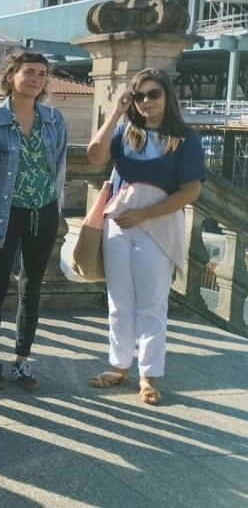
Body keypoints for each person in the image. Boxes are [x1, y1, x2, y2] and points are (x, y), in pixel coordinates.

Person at [86, 68, 205, 406]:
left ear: (167, 96)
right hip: (118, 226)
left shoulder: (184, 138)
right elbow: (95, 155)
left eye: (154, 94)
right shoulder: (126, 132)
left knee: (152, 304)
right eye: (140, 96)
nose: (146, 101)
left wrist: (144, 214)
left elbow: (191, 190)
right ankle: (118, 365)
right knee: (118, 302)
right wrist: (116, 113)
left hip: (158, 225)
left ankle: (149, 376)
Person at [0, 50, 68, 392]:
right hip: (6, 211)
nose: (36, 79)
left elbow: (58, 163)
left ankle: (21, 360)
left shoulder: (54, 120)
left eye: (42, 74)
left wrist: (55, 205)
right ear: (12, 75)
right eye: (29, 72)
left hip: (43, 209)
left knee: (32, 285)